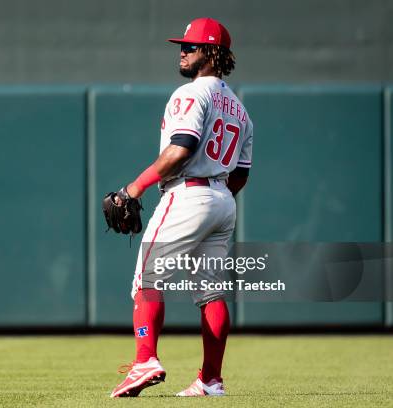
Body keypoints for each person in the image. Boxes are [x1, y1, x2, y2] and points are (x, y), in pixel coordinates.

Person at [109, 17, 253, 398]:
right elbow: (240, 175)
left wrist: (133, 188)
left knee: (146, 280)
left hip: (188, 194)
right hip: (222, 199)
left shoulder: (190, 94)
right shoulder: (240, 110)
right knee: (211, 294)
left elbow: (181, 148)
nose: (183, 51)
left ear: (211, 54)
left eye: (190, 46)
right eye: (182, 46)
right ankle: (211, 380)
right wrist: (215, 201)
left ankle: (145, 360)